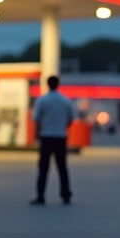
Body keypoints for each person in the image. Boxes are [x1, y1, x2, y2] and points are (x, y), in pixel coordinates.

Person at [31, 75, 74, 205]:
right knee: (62, 167)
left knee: (43, 167)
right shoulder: (65, 101)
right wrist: (62, 127)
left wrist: (37, 135)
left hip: (46, 136)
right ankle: (65, 194)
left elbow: (36, 119)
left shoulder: (42, 100)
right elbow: (70, 119)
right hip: (61, 137)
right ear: (58, 84)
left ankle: (41, 195)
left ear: (47, 84)